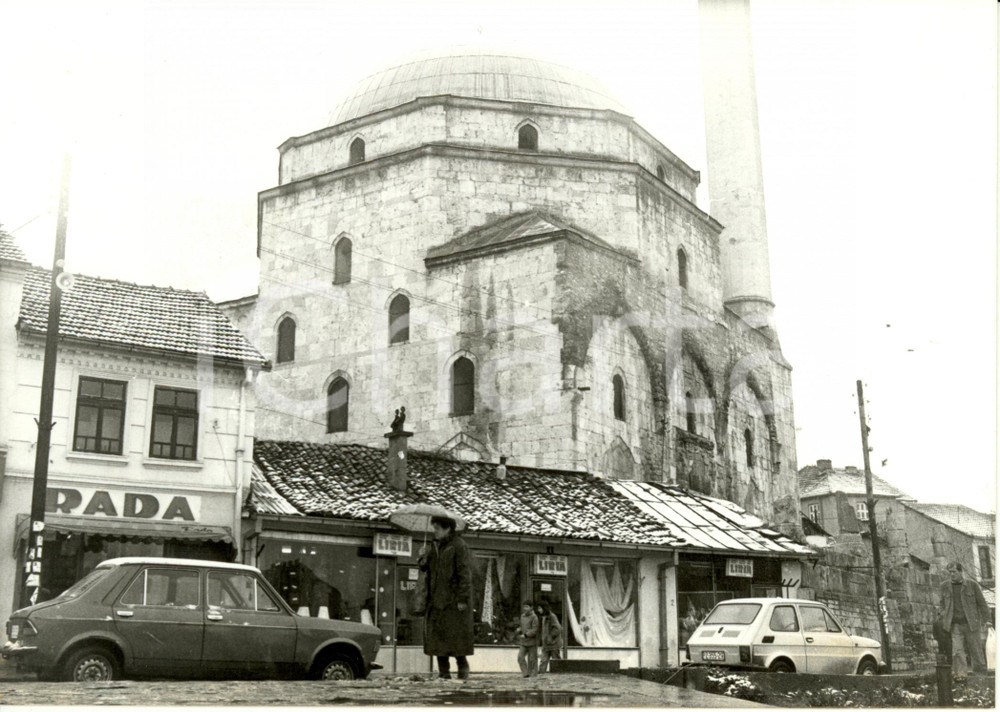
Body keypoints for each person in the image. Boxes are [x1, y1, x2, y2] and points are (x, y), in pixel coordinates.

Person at [418, 515, 474, 680]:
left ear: (447, 528)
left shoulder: (459, 546)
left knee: (455, 641)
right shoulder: (434, 546)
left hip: (452, 602)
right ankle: (444, 674)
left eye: (437, 528)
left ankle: (463, 671)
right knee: (438, 641)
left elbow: (464, 574)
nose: (434, 532)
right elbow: (426, 569)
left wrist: (462, 599)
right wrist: (422, 557)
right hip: (435, 601)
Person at [938, 562, 991, 676]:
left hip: (971, 624)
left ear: (960, 572)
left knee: (976, 650)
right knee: (957, 652)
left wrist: (987, 620)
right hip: (955, 625)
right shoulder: (944, 586)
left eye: (954, 572)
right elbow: (941, 604)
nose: (952, 574)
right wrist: (943, 614)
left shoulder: (972, 585)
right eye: (950, 572)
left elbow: (982, 603)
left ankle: (980, 676)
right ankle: (961, 677)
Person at [536, 601, 563, 674]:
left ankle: (559, 677)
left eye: (539, 608)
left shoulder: (552, 616)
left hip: (554, 644)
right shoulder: (544, 617)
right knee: (543, 661)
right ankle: (541, 676)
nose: (538, 610)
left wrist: (550, 637)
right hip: (546, 645)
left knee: (556, 662)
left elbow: (558, 628)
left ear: (544, 608)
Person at [516, 600, 539, 678]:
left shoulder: (534, 617)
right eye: (524, 606)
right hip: (523, 642)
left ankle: (534, 675)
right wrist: (519, 629)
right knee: (520, 657)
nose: (524, 608)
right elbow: (522, 626)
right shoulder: (522, 616)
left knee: (533, 660)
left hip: (532, 642)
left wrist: (526, 635)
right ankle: (525, 674)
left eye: (527, 607)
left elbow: (535, 630)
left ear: (531, 607)